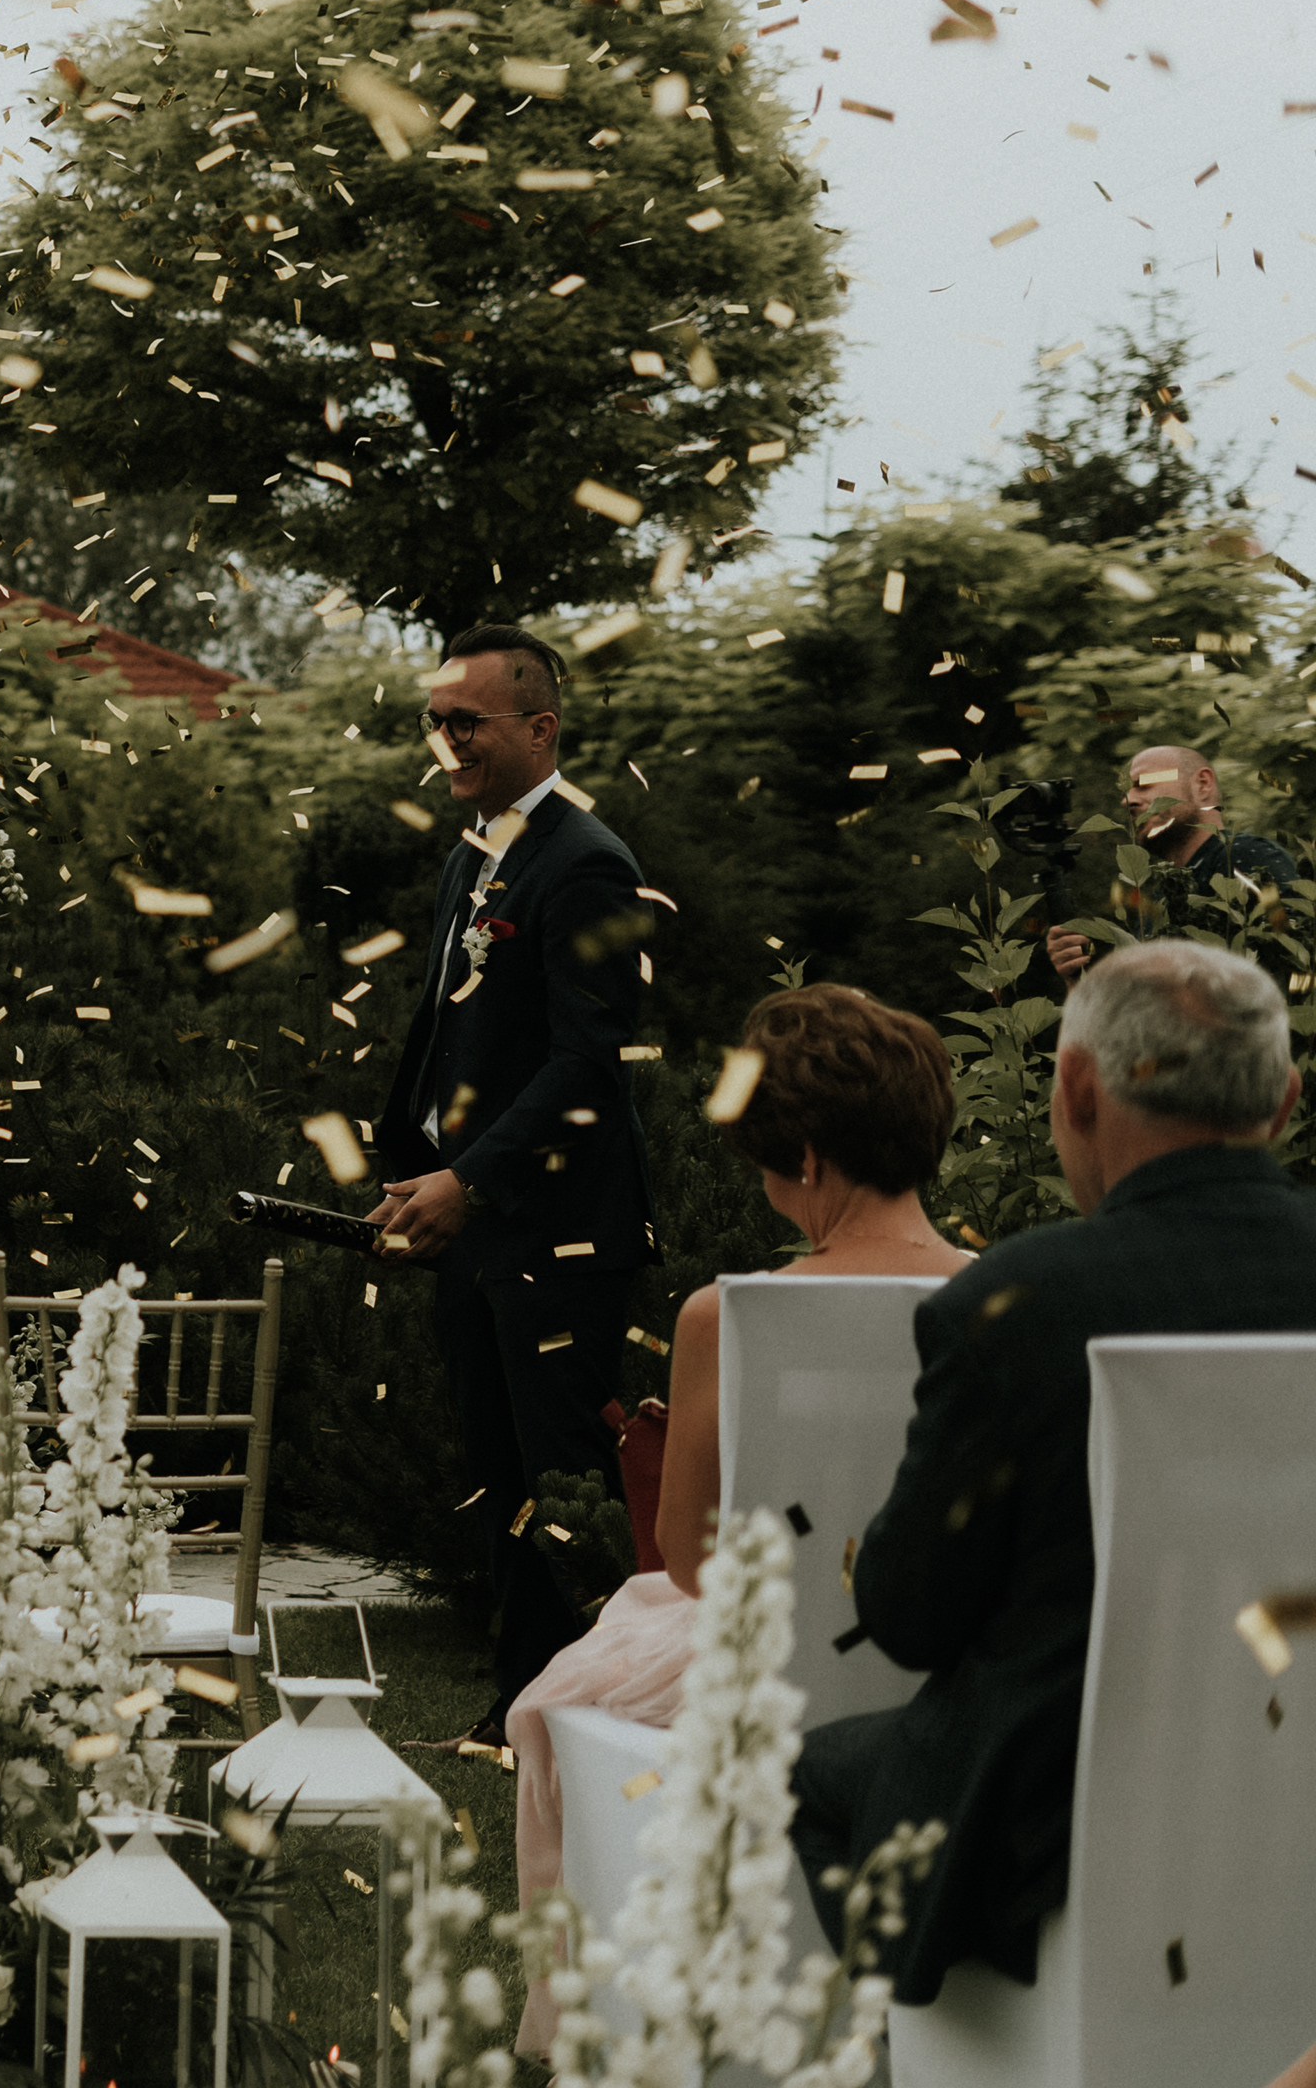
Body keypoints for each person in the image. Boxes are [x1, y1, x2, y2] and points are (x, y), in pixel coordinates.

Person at [790, 940, 1316, 2005]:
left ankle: (923, 2058)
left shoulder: (1020, 1303)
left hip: (1056, 1815)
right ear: (1284, 1101)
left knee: (808, 1776)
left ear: (1075, 1088)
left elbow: (911, 1618)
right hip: (1296, 1781)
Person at [503, 983, 969, 2053]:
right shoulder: (1005, 1304)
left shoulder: (726, 1319)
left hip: (769, 1685)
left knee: (566, 1690)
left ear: (803, 1156)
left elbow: (688, 1557)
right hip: (949, 1671)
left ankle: (598, 2016)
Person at [363, 623, 657, 1742]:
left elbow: (591, 1064)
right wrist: (412, 1175)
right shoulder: (468, 858)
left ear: (541, 728)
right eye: (435, 722)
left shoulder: (589, 862)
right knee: (497, 1476)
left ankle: (576, 1712)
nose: (446, 741)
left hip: (556, 1228)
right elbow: (449, 1039)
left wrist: (472, 1181)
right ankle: (516, 1708)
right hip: (473, 1219)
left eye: (468, 722)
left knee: (560, 1478)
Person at [1043, 742, 1300, 985]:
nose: (1127, 800)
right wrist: (1076, 975)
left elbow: (1298, 953)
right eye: (1127, 791)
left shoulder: (1244, 856)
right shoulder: (1160, 901)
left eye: (1144, 784)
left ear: (1202, 784)